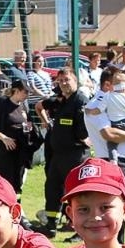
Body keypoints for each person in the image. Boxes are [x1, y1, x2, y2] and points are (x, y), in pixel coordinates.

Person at [38, 69, 89, 234]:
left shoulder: (80, 101)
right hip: (58, 156)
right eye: (60, 81)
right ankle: (51, 224)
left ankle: (78, 229)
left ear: (75, 81)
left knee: (76, 192)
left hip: (75, 155)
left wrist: (84, 141)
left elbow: (84, 131)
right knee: (52, 188)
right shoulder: (62, 101)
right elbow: (40, 105)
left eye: (67, 80)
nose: (64, 83)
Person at [0, 78, 41, 193]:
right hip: (4, 153)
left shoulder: (23, 105)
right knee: (6, 183)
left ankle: (16, 206)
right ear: (16, 91)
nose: (27, 95)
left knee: (18, 184)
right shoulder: (2, 104)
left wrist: (29, 129)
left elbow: (26, 123)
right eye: (25, 92)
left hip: (19, 152)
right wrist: (4, 138)